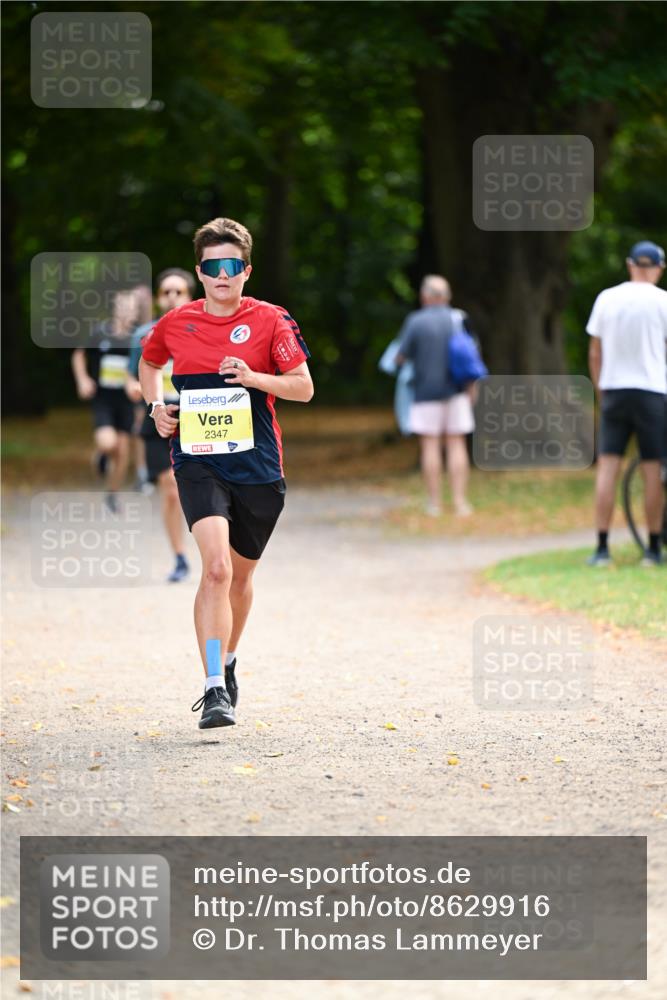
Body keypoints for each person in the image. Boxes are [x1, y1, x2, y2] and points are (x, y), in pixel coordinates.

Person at [139, 217, 313, 729]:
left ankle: (230, 660)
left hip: (258, 466)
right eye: (212, 266)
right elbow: (150, 364)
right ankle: (214, 685)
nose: (221, 275)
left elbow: (303, 387)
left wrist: (255, 377)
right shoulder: (176, 323)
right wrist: (156, 407)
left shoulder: (271, 320)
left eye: (231, 265)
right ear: (199, 271)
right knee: (215, 569)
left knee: (240, 577)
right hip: (197, 460)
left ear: (246, 271)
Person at [587, 240, 667, 567]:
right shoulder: (663, 301)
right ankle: (653, 548)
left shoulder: (607, 298)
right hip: (652, 392)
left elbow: (595, 352)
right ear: (659, 268)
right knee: (652, 470)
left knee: (608, 468)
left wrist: (600, 390)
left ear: (630, 264)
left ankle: (602, 547)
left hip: (614, 390)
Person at [127, 268, 195, 583]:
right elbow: (132, 378)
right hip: (159, 420)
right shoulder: (144, 334)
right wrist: (139, 389)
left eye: (178, 292)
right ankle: (180, 556)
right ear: (158, 297)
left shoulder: (202, 330)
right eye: (166, 292)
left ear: (189, 297)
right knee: (170, 488)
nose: (171, 297)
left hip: (199, 418)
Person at [396, 275, 478, 517]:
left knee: (430, 446)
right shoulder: (459, 318)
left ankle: (434, 504)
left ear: (425, 296)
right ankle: (460, 503)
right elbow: (472, 355)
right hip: (457, 391)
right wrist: (472, 388)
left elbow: (400, 357)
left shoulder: (416, 321)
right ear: (447, 296)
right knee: (456, 444)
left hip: (425, 392)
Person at [71, 289, 140, 512]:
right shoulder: (99, 333)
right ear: (115, 309)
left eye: (130, 308)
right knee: (108, 443)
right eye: (122, 306)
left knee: (123, 451)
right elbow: (79, 355)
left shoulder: (138, 338)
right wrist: (83, 379)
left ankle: (112, 494)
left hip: (127, 402)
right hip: (103, 399)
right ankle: (101, 454)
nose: (126, 311)